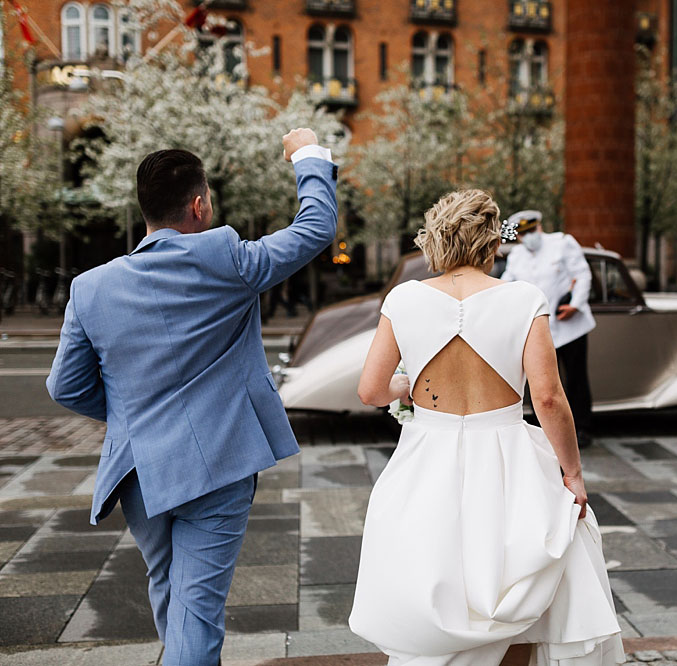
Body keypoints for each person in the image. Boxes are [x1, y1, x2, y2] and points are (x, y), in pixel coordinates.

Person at [46, 129, 337, 666]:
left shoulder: (90, 287)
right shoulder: (227, 259)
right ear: (199, 205)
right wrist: (307, 153)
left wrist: (130, 413)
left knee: (174, 595)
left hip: (136, 471)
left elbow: (65, 385)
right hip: (218, 463)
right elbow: (316, 227)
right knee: (195, 609)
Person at [350, 190, 624, 666]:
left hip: (426, 462)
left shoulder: (405, 298)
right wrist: (573, 474)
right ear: (492, 242)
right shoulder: (522, 299)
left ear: (434, 240)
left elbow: (371, 391)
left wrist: (408, 385)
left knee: (436, 580)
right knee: (522, 597)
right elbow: (549, 398)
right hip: (510, 461)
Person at [501, 210, 597, 448]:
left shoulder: (562, 243)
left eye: (532, 230)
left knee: (575, 379)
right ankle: (546, 429)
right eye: (524, 233)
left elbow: (582, 275)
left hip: (568, 325)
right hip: (537, 330)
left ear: (540, 227)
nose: (530, 236)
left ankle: (582, 428)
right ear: (519, 236)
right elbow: (506, 283)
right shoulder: (516, 256)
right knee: (540, 380)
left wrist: (575, 305)